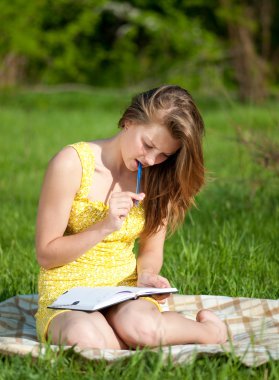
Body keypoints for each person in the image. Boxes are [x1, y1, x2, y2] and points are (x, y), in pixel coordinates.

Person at [35, 85, 228, 349]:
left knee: (142, 328)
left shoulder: (157, 178)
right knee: (85, 336)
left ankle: (210, 332)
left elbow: (150, 250)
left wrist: (146, 275)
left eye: (163, 155)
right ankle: (129, 338)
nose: (151, 159)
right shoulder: (72, 164)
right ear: (129, 121)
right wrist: (104, 227)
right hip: (66, 293)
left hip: (122, 290)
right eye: (147, 145)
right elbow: (46, 254)